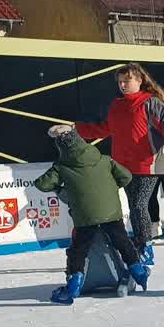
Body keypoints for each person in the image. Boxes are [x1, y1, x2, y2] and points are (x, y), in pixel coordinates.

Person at [75, 62, 164, 264]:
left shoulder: (150, 102)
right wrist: (76, 130)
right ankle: (141, 243)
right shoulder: (117, 105)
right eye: (120, 82)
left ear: (140, 80)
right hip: (123, 166)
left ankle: (145, 247)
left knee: (138, 205)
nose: (123, 85)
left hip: (147, 164)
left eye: (127, 80)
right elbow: (106, 128)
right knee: (135, 206)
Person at [35, 125, 151, 304]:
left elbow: (42, 184)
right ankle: (140, 273)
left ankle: (73, 288)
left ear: (60, 146)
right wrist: (109, 188)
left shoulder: (62, 166)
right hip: (111, 212)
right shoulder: (104, 159)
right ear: (82, 140)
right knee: (122, 242)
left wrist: (63, 190)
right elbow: (126, 177)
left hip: (85, 216)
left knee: (78, 250)